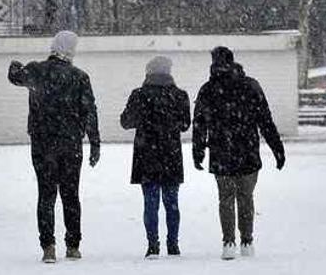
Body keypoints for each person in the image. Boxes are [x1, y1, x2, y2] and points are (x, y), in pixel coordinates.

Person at [8, 31, 101, 264]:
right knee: (71, 195)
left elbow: (15, 77)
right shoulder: (80, 77)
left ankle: (48, 246)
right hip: (71, 144)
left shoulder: (36, 71)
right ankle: (73, 245)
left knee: (46, 194)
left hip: (43, 142)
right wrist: (95, 142)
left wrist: (14, 65)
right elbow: (89, 111)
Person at [192, 46, 285, 260]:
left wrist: (198, 152)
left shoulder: (208, 89)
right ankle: (247, 241)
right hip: (248, 150)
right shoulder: (251, 86)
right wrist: (277, 149)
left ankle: (228, 242)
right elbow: (266, 121)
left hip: (221, 151)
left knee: (225, 198)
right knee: (246, 197)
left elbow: (199, 124)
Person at [120, 55, 191, 259]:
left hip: (146, 154)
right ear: (169, 72)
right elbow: (185, 124)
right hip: (171, 154)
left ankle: (153, 245)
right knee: (172, 202)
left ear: (148, 72)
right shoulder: (180, 95)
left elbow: (126, 122)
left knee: (150, 202)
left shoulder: (139, 95)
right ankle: (173, 244)